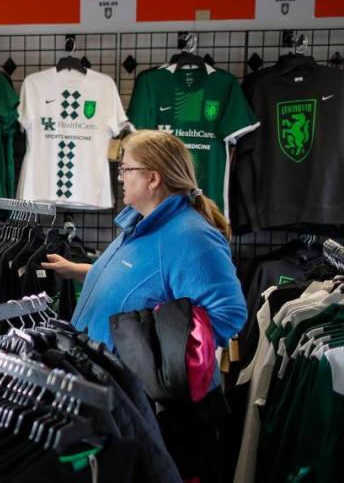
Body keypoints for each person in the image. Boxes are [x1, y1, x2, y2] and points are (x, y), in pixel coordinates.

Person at [41, 129, 247, 350]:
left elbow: (228, 314)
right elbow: (138, 281)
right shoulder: (143, 224)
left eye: (127, 169)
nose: (121, 178)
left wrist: (150, 358)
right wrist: (76, 270)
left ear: (152, 179)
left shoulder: (191, 237)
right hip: (98, 373)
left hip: (128, 382)